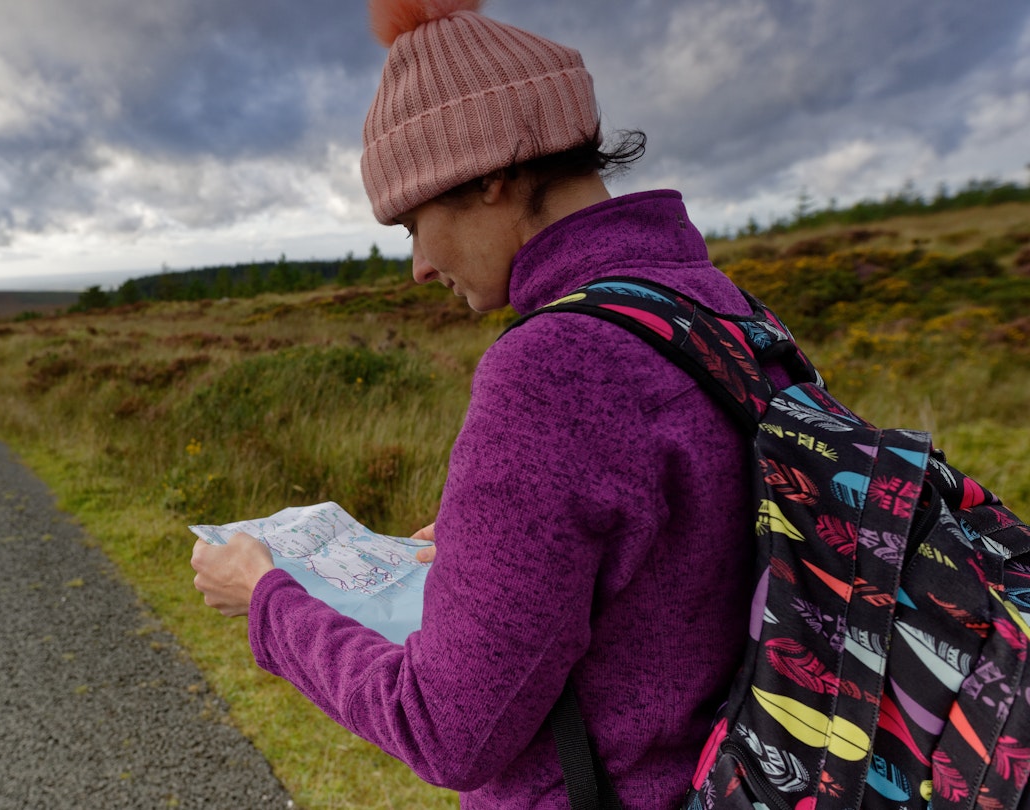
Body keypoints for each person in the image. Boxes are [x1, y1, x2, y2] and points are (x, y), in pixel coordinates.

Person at [191, 0, 775, 806]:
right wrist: (494, 554)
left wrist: (267, 602)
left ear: (491, 174)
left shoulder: (554, 367)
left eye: (412, 225)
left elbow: (444, 728)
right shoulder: (715, 307)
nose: (420, 267)